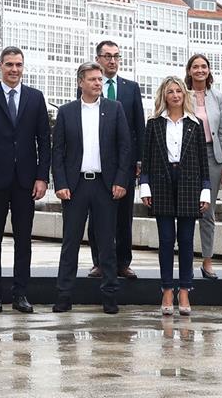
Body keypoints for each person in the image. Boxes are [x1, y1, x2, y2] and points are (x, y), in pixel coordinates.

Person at [0, 46, 50, 314]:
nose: (14, 70)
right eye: (9, 65)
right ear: (0, 66)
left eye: (18, 65)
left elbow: (44, 142)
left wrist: (42, 177)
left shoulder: (36, 98)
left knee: (23, 239)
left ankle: (20, 293)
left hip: (26, 182)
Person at [51, 62, 131, 314]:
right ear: (80, 83)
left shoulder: (114, 109)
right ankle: (64, 295)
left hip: (105, 185)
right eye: (93, 79)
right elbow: (58, 152)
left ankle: (109, 296)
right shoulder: (66, 112)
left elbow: (124, 148)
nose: (98, 83)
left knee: (107, 242)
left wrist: (120, 180)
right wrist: (61, 183)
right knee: (70, 242)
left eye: (100, 79)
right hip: (74, 188)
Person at [140, 76, 211, 315]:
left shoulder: (195, 124)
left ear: (184, 95)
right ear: (164, 95)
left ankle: (184, 291)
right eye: (170, 91)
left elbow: (203, 161)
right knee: (166, 241)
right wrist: (145, 187)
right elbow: (146, 160)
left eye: (179, 90)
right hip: (161, 183)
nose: (175, 95)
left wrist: (205, 190)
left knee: (187, 241)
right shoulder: (154, 124)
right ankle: (167, 290)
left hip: (189, 184)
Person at [85, 40, 144, 281]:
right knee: (97, 215)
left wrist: (140, 160)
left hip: (124, 164)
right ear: (98, 59)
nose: (112, 60)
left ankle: (123, 262)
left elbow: (139, 127)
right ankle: (99, 262)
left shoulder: (131, 88)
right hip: (96, 162)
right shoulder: (88, 86)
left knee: (124, 216)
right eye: (107, 56)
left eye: (116, 56)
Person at [185, 54, 222, 279]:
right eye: (195, 67)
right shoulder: (182, 95)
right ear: (189, 70)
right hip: (187, 157)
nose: (200, 70)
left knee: (207, 211)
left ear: (209, 70)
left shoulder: (218, 97)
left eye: (204, 66)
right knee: (185, 210)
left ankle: (207, 261)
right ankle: (185, 261)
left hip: (212, 155)